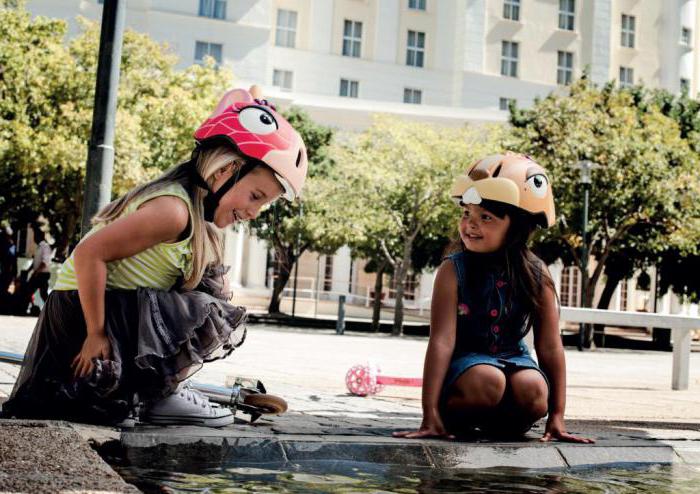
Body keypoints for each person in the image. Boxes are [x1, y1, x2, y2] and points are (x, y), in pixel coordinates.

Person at [1, 87, 308, 427]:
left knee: (209, 283)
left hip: (108, 313)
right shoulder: (173, 210)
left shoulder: (196, 215)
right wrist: (95, 333)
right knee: (204, 307)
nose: (253, 212)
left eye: (262, 206)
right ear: (226, 170)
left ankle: (158, 391)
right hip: (84, 320)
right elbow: (89, 254)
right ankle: (159, 395)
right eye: (255, 196)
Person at [394, 153, 593, 443]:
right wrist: (429, 413)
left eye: (485, 217)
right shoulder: (453, 270)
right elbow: (442, 341)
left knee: (534, 390)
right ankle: (450, 418)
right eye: (466, 214)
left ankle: (500, 426)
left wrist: (557, 417)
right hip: (468, 370)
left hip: (514, 359)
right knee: (488, 380)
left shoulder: (537, 273)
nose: (470, 225)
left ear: (518, 225)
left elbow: (550, 346)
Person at [18, 224, 53, 314]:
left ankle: (51, 311)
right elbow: (35, 262)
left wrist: (36, 272)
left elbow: (44, 262)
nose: (34, 238)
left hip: (42, 274)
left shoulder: (45, 246)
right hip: (38, 273)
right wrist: (29, 270)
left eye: (35, 235)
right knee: (36, 292)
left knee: (34, 292)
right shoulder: (39, 247)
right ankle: (49, 311)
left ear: (39, 236)